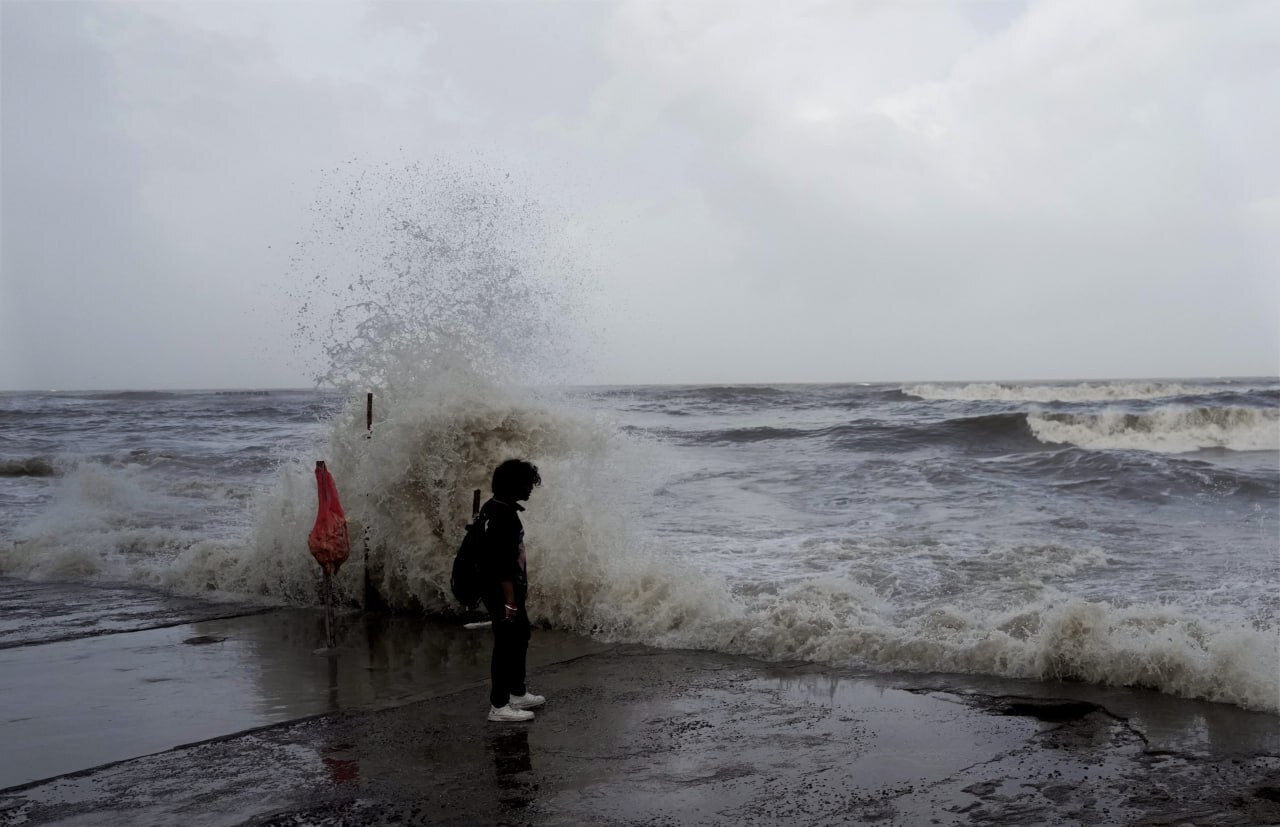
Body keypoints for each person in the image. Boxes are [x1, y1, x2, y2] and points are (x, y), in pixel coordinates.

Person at [481, 458, 545, 722]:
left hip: (505, 587)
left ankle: (517, 692)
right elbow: (501, 564)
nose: (530, 488)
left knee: (520, 636)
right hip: (501, 589)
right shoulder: (503, 515)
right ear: (514, 485)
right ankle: (498, 706)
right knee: (506, 644)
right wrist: (510, 601)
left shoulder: (495, 507)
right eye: (527, 484)